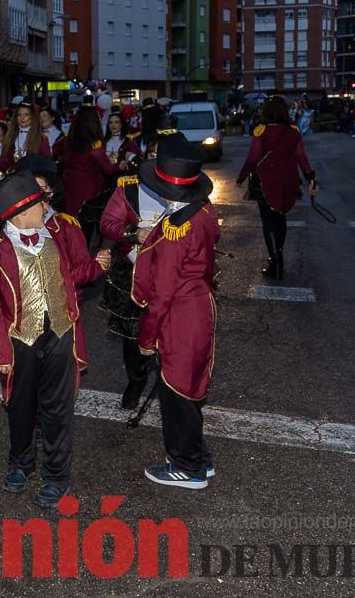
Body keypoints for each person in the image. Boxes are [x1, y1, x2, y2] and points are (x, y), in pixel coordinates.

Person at [0, 171, 109, 509]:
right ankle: (21, 464)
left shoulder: (56, 236)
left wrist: (97, 267)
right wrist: (1, 352)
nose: (46, 206)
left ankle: (56, 475)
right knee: (21, 409)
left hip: (61, 335)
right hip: (21, 340)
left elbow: (70, 278)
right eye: (39, 203)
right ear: (21, 212)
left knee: (58, 410)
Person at [131, 134, 220, 490]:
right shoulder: (203, 210)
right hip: (200, 307)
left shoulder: (175, 228)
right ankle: (198, 456)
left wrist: (147, 337)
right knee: (191, 386)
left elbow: (162, 293)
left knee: (177, 390)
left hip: (179, 316)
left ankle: (187, 467)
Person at [98, 133, 181, 410]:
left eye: (163, 155)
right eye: (153, 154)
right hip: (133, 274)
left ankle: (172, 382)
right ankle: (136, 378)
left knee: (172, 333)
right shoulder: (129, 187)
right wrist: (133, 232)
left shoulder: (188, 190)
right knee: (132, 335)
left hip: (174, 276)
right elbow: (108, 222)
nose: (157, 160)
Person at [236, 96, 317, 280]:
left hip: (265, 180)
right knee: (281, 217)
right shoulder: (293, 131)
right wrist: (310, 177)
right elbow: (301, 157)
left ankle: (276, 261)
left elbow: (253, 158)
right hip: (289, 179)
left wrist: (241, 176)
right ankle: (277, 257)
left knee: (268, 221)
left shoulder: (261, 130)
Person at [53, 105, 124, 248]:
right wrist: (120, 165)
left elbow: (54, 152)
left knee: (72, 226)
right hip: (89, 192)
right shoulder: (94, 144)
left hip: (70, 188)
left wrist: (63, 159)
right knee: (86, 232)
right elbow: (108, 170)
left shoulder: (67, 141)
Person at [1, 102, 52, 172]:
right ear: (16, 117)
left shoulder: (41, 138)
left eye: (26, 114)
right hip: (14, 178)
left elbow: (46, 163)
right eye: (19, 115)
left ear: (32, 117)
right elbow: (4, 162)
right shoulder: (10, 136)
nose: (22, 117)